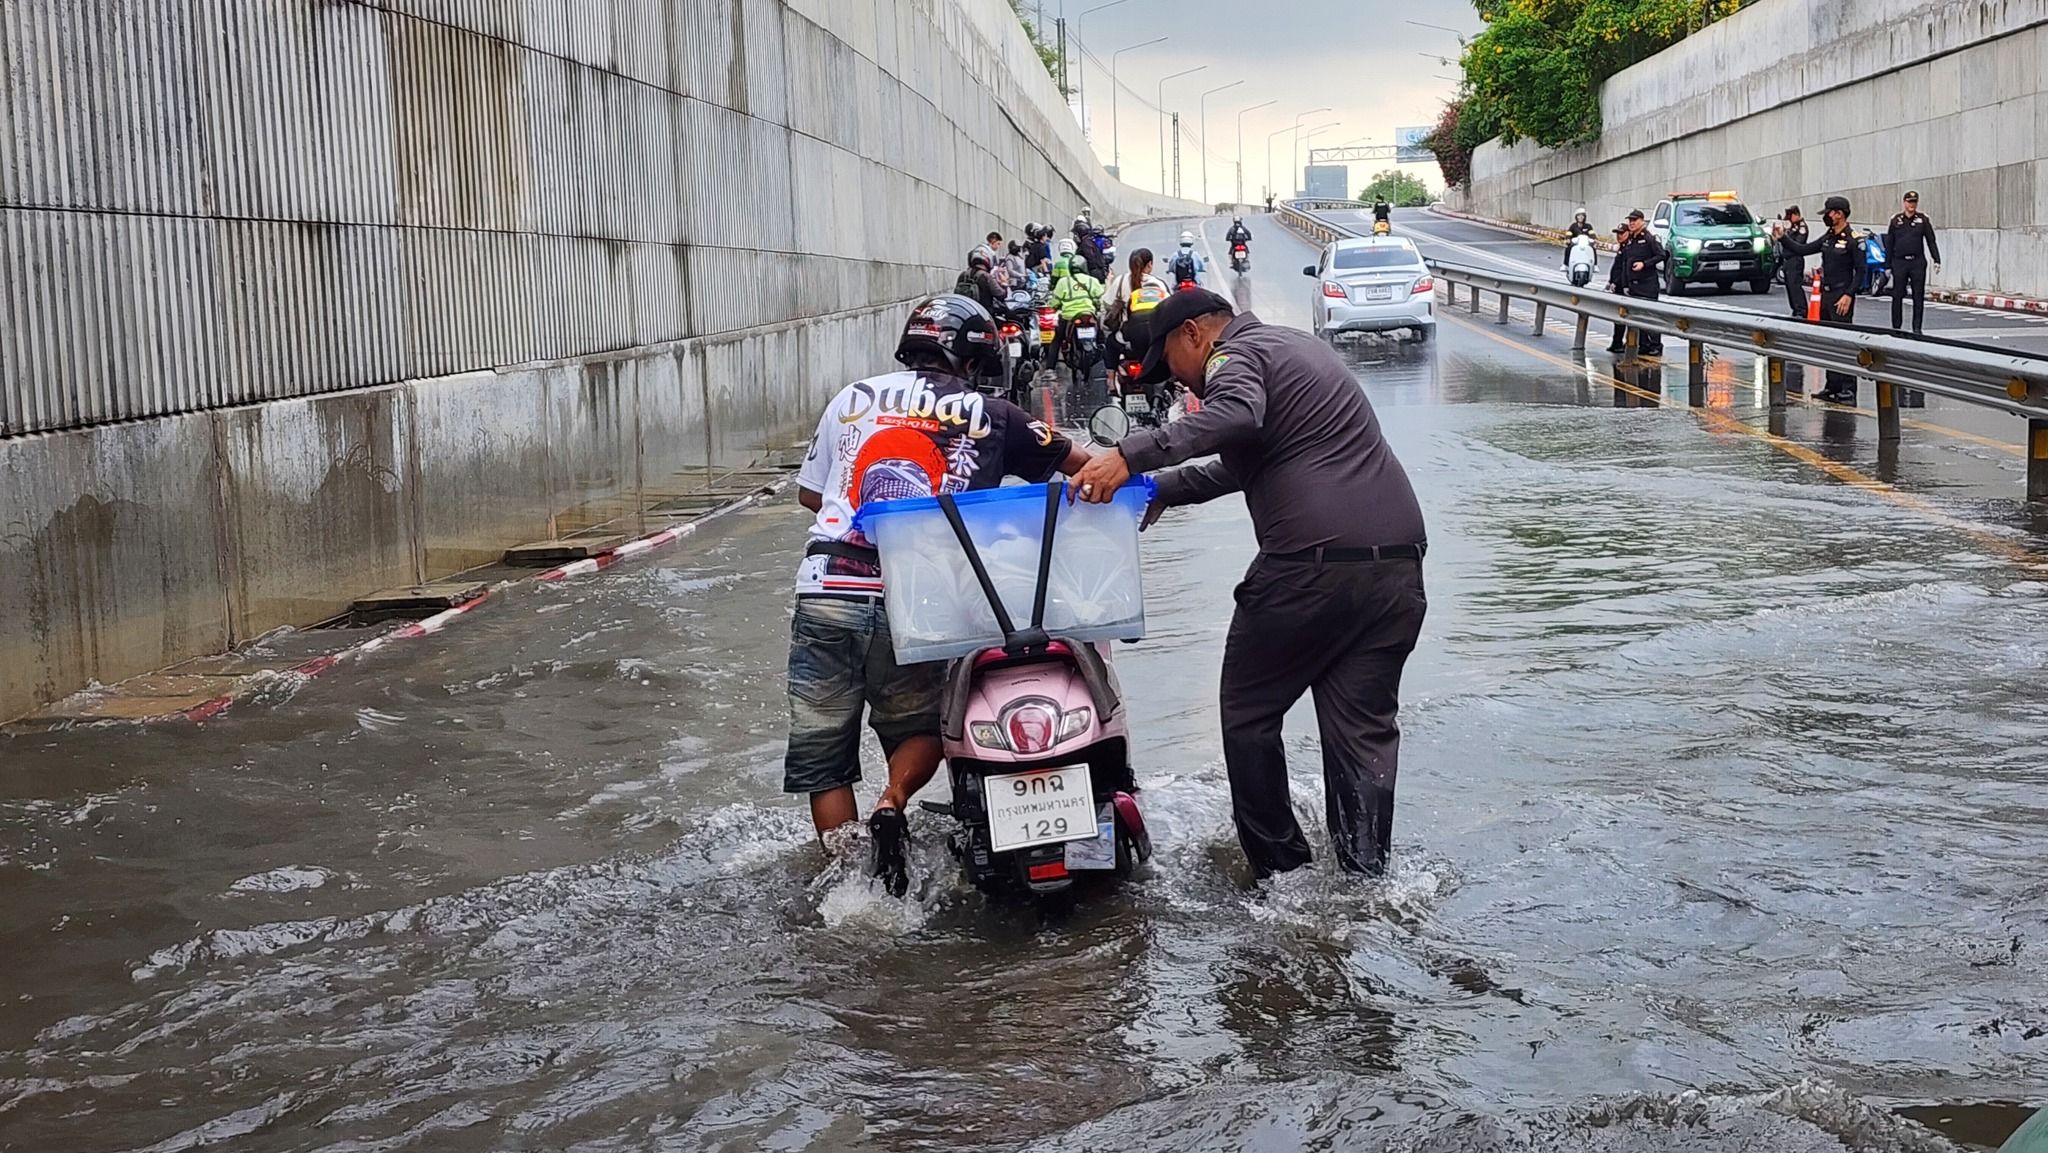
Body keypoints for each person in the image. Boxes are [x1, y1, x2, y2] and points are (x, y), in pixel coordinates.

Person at [1070, 289, 1428, 879]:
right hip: (1395, 569)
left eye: (1173, 368)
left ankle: (1280, 875)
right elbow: (1244, 461)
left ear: (1194, 335)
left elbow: (1236, 416)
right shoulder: (1296, 350)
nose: (1184, 387)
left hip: (1307, 570)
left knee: (1248, 715)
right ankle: (1367, 879)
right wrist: (1163, 488)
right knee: (1360, 732)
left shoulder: (1232, 356)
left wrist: (1130, 457)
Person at [786, 294, 1091, 895]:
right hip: (919, 599)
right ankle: (893, 800)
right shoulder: (997, 413)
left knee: (825, 751)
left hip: (827, 590)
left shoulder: (853, 398)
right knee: (924, 726)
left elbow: (811, 495)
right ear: (978, 358)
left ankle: (852, 887)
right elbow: (1084, 467)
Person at [1778, 195, 1863, 402]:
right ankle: (1832, 386)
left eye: (1828, 213)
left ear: (1839, 214)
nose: (1826, 217)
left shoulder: (1854, 239)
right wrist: (1782, 238)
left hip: (1841, 295)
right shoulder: (1829, 236)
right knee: (1829, 343)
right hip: (1825, 294)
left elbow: (1861, 271)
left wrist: (1849, 295)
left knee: (1844, 343)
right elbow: (1803, 249)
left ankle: (1848, 389)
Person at [1610, 210, 1668, 356]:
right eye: (1630, 220)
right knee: (1638, 317)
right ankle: (1644, 345)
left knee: (1650, 316)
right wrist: (1624, 285)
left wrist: (1645, 263)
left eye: (1635, 220)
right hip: (1633, 285)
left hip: (1647, 285)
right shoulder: (1631, 240)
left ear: (1642, 221)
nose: (1631, 223)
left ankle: (1655, 345)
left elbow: (1661, 255)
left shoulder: (1649, 238)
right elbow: (1624, 264)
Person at [1886, 190, 1941, 334]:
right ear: (1904, 203)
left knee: (1918, 295)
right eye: (1909, 202)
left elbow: (1931, 240)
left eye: (1914, 202)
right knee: (1897, 295)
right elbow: (1889, 244)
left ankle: (1917, 328)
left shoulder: (1922, 220)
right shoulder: (1896, 220)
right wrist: (1887, 265)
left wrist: (1936, 259)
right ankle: (1896, 327)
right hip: (1900, 262)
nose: (1912, 205)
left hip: (1917, 262)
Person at [1049, 254, 1106, 367]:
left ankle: (1050, 368)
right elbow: (1101, 299)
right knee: (1101, 337)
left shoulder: (1063, 282)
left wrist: (1054, 307)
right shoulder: (1092, 281)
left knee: (1057, 339)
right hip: (1089, 315)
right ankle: (1105, 361)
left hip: (1068, 317)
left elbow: (1055, 302)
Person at [1778, 206, 1810, 319]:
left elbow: (1799, 244)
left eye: (1790, 216)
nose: (1788, 219)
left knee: (1795, 285)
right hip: (1787, 259)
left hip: (1795, 259)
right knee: (1789, 286)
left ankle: (1801, 310)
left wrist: (1787, 236)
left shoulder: (1802, 227)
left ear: (1796, 214)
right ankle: (1795, 309)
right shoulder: (1791, 227)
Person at [953, 247, 1000, 313]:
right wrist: (1004, 284)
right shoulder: (986, 276)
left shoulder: (963, 275)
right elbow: (1000, 295)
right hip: (984, 315)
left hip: (965, 313)